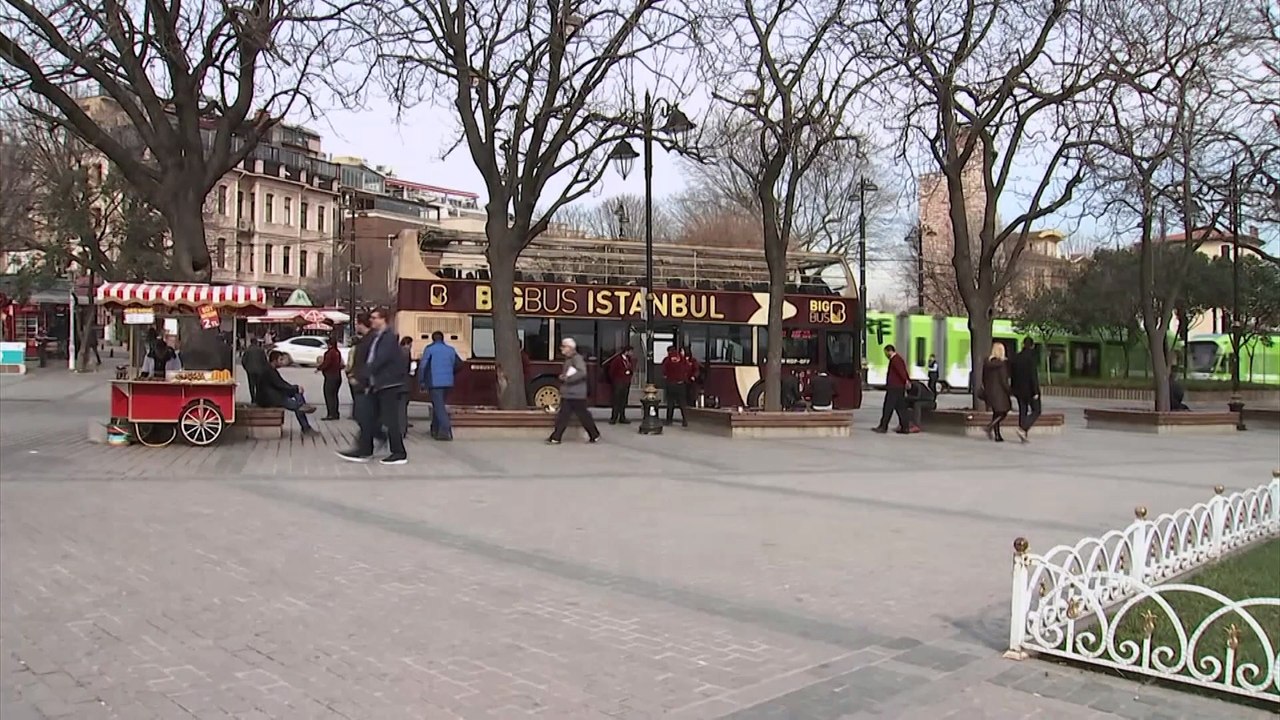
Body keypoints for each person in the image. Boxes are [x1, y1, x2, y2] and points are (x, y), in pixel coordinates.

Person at [338, 307, 408, 465]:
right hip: (378, 384)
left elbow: (379, 360)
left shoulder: (389, 338)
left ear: (384, 319)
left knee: (391, 420)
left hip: (389, 384)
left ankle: (399, 452)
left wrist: (361, 376)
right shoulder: (378, 337)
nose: (372, 320)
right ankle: (365, 449)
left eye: (375, 318)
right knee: (367, 416)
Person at [547, 337, 601, 444]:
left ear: (570, 348)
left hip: (575, 393)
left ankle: (556, 437)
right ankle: (556, 437)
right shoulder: (571, 359)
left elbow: (582, 372)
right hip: (572, 393)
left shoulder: (577, 359)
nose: (561, 349)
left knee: (575, 415)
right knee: (571, 415)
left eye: (563, 346)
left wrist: (567, 378)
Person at [259, 350, 316, 434]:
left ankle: (301, 406)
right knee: (291, 402)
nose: (282, 362)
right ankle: (301, 410)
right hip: (269, 398)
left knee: (297, 394)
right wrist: (295, 388)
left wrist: (295, 388)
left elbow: (282, 383)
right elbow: (280, 385)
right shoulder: (268, 371)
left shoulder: (271, 369)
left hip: (275, 394)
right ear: (274, 361)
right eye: (280, 360)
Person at [418, 330, 462, 441]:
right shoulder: (451, 350)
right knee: (439, 405)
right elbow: (459, 364)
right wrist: (451, 373)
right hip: (448, 382)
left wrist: (421, 381)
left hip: (434, 381)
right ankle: (435, 429)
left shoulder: (430, 349)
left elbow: (423, 366)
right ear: (443, 339)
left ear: (433, 339)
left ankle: (445, 430)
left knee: (439, 407)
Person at [873, 344, 915, 434]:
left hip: (894, 387)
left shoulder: (895, 360)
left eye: (886, 353)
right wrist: (907, 380)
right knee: (901, 408)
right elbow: (904, 371)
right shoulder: (899, 359)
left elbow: (901, 371)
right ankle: (905, 427)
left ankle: (883, 426)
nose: (886, 355)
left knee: (888, 407)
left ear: (889, 351)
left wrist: (906, 380)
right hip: (899, 387)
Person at [1010, 337, 1042, 442]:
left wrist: (1013, 389)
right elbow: (1033, 376)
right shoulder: (1032, 358)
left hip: (1018, 390)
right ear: (1032, 345)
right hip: (1030, 390)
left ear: (1023, 344)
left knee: (1022, 411)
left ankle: (1023, 435)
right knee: (1036, 410)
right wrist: (1036, 391)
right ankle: (1023, 428)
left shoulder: (1017, 357)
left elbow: (1012, 374)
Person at [981, 343, 1013, 442]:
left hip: (990, 392)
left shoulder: (987, 363)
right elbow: (1004, 380)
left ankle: (997, 435)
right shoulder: (1002, 364)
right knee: (1004, 412)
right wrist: (1009, 390)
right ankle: (989, 427)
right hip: (1000, 393)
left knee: (996, 413)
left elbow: (983, 378)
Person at [603, 345, 635, 424]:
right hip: (618, 382)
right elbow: (612, 371)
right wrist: (615, 380)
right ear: (626, 351)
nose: (632, 353)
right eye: (631, 351)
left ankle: (622, 417)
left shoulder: (629, 360)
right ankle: (614, 417)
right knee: (616, 400)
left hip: (626, 382)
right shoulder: (617, 360)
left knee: (623, 401)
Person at [315, 337, 344, 421]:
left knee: (329, 395)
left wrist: (319, 368)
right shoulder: (337, 352)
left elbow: (326, 363)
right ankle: (335, 413)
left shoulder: (329, 353)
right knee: (334, 395)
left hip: (330, 377)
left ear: (329, 344)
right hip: (337, 376)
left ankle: (331, 414)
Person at [661, 345, 689, 427]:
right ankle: (685, 420)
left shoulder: (667, 360)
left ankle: (669, 420)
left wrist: (667, 376)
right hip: (680, 384)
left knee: (670, 402)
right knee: (682, 403)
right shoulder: (682, 358)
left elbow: (663, 371)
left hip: (671, 384)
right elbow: (687, 368)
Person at [399, 336, 414, 436]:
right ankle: (402, 429)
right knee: (402, 407)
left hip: (397, 383)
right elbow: (407, 368)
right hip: (403, 383)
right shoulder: (406, 352)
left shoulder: (397, 351)